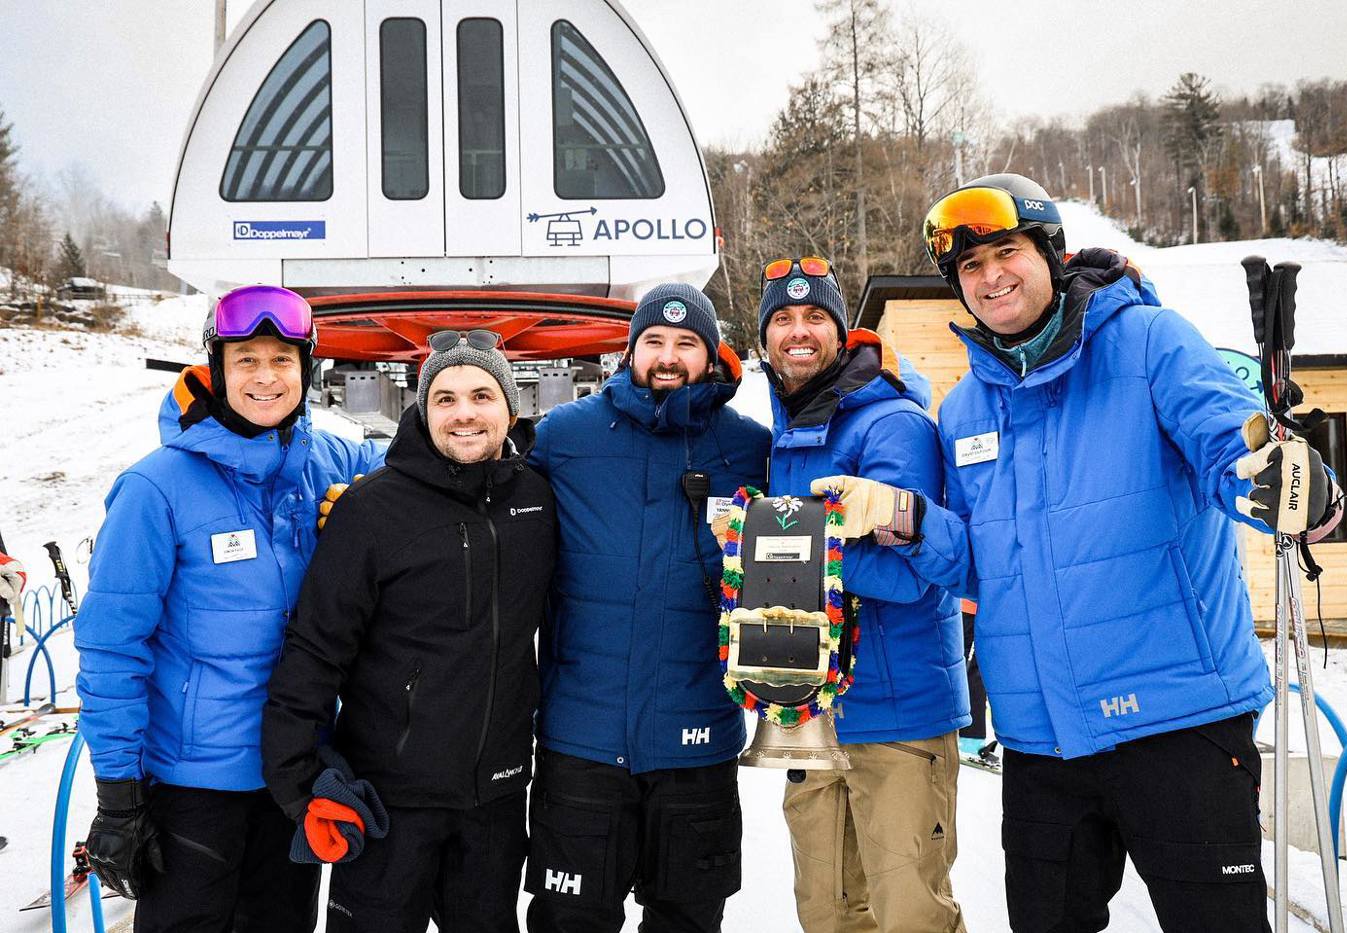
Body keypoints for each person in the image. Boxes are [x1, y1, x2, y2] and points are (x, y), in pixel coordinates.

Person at [921, 173, 1345, 933]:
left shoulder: (1151, 342)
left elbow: (1230, 444)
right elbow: (969, 559)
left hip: (1177, 723)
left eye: (1006, 252)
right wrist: (903, 523)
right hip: (1041, 741)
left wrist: (1293, 486)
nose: (990, 278)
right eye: (970, 268)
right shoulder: (963, 410)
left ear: (1051, 253)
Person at [74, 285, 383, 932]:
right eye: (246, 360)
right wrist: (119, 801)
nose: (266, 377)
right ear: (217, 369)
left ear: (308, 369)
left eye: (282, 359)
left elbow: (427, 466)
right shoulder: (154, 489)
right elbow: (111, 649)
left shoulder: (332, 463)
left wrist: (369, 502)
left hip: (292, 780)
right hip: (194, 794)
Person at [260, 329, 555, 933]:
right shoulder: (370, 510)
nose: (465, 413)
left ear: (510, 406)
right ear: (422, 409)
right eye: (444, 398)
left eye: (481, 394)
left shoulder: (537, 501)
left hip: (495, 801)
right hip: (387, 802)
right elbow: (316, 650)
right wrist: (300, 783)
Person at [524, 283, 770, 933]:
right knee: (569, 921)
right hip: (582, 740)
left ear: (711, 355)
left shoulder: (749, 449)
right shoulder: (564, 437)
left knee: (687, 920)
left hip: (696, 743)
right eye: (653, 341)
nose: (668, 355)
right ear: (630, 350)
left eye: (686, 342)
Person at [756, 256, 971, 933]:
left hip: (898, 717)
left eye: (815, 316)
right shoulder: (787, 432)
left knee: (910, 916)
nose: (798, 331)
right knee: (828, 913)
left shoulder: (891, 423)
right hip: (812, 710)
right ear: (764, 338)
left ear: (842, 332)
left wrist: (789, 549)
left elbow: (913, 575)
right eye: (783, 319)